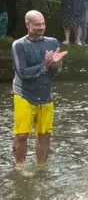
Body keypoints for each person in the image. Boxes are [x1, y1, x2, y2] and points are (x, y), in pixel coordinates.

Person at [11, 10, 68, 170]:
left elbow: (57, 71)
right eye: (37, 25)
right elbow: (22, 72)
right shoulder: (19, 45)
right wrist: (45, 65)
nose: (41, 27)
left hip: (45, 95)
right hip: (24, 94)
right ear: (27, 25)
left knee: (45, 135)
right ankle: (19, 167)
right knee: (22, 135)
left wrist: (55, 65)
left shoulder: (52, 42)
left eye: (43, 24)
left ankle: (41, 167)